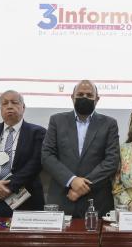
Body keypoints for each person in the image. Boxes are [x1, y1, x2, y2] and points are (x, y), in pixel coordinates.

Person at [42, 80, 120, 218]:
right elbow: (47, 156)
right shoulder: (56, 121)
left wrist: (81, 187)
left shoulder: (109, 124)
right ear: (72, 97)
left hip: (96, 200)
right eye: (80, 94)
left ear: (97, 99)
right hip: (62, 197)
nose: (84, 97)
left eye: (89, 95)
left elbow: (112, 160)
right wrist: (72, 180)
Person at [0, 90, 46, 217]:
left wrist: (9, 185)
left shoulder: (37, 132)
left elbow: (36, 163)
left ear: (23, 107)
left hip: (24, 197)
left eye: (14, 102)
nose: (9, 106)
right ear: (0, 108)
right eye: (5, 103)